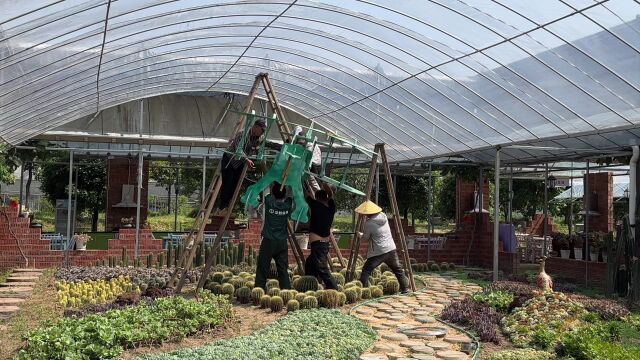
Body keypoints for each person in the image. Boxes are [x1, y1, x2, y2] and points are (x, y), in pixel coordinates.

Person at [216, 119, 266, 217]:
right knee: (227, 184)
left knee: (235, 186)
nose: (262, 133)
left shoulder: (258, 138)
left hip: (240, 163)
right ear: (256, 127)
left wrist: (253, 159)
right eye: (262, 130)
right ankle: (222, 208)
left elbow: (256, 149)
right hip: (230, 160)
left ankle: (228, 208)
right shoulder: (242, 134)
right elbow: (238, 149)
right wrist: (247, 160)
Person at [356, 200, 408, 293]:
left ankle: (364, 291)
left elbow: (365, 238)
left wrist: (359, 234)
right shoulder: (383, 216)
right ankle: (405, 289)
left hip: (378, 251)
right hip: (391, 248)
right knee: (398, 269)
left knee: (366, 270)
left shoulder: (368, 224)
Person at [255, 182, 293, 290]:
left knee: (263, 267)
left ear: (273, 193)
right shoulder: (287, 205)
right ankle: (286, 291)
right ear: (284, 195)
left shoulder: (269, 202)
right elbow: (290, 193)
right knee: (283, 269)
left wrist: (272, 178)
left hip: (268, 241)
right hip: (282, 242)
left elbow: (266, 190)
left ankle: (259, 290)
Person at [304, 182, 337, 289]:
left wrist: (305, 183)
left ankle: (334, 289)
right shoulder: (332, 208)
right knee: (310, 264)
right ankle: (310, 286)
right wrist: (325, 185)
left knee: (322, 268)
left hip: (318, 244)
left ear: (317, 198)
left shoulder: (316, 206)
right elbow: (331, 195)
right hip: (324, 244)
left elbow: (306, 194)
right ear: (326, 198)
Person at [294, 125, 321, 192]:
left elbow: (309, 159)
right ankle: (316, 192)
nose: (299, 144)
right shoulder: (310, 143)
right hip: (316, 163)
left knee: (312, 182)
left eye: (300, 142)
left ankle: (317, 192)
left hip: (313, 165)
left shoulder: (309, 146)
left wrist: (305, 168)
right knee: (312, 183)